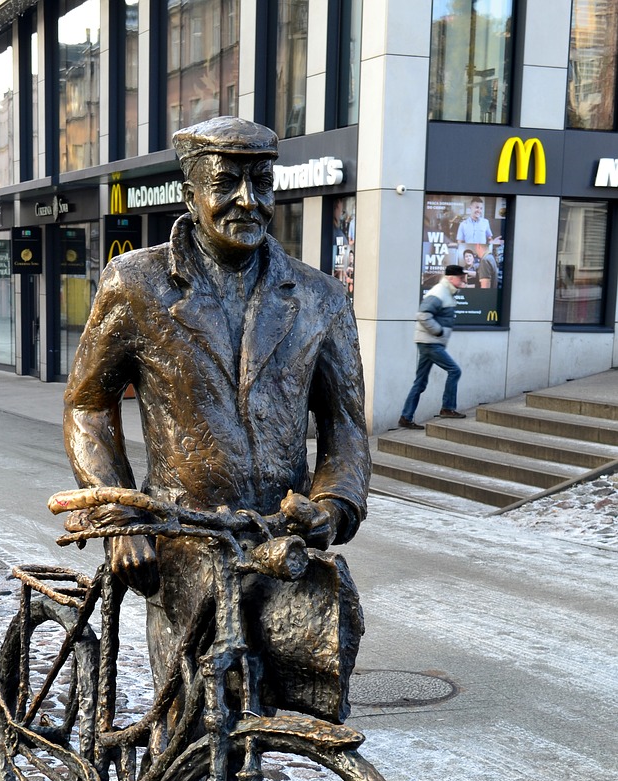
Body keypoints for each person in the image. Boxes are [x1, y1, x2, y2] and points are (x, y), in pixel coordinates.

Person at [63, 115, 369, 731]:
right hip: (181, 545)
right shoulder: (137, 284)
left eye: (261, 182)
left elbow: (347, 427)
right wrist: (119, 516)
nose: (247, 201)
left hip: (279, 545)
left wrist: (331, 506)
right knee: (186, 733)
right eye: (226, 183)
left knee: (265, 723)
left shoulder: (320, 298)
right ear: (189, 192)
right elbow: (88, 406)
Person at [398, 264, 466, 429]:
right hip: (430, 343)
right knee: (454, 370)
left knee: (420, 382)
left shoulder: (446, 292)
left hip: (428, 342)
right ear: (451, 278)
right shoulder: (439, 292)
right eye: (460, 277)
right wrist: (438, 331)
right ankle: (447, 408)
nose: (463, 280)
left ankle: (406, 417)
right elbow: (423, 314)